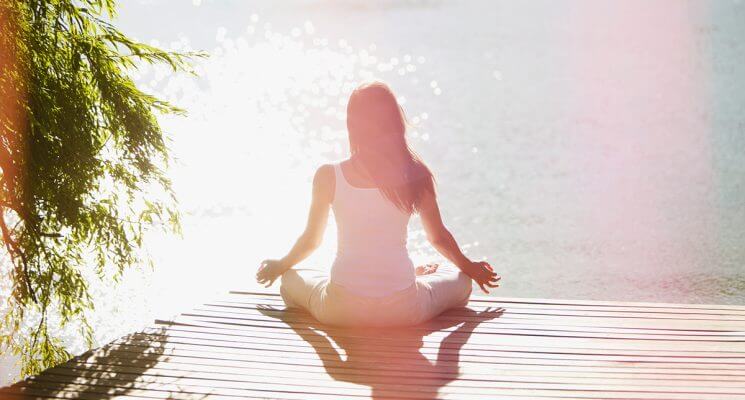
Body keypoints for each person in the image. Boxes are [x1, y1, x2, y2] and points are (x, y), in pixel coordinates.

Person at [256, 81, 500, 327]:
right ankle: (412, 275)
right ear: (396, 122)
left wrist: (280, 265)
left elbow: (312, 241)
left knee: (290, 277)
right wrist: (471, 267)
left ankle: (407, 276)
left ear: (352, 125)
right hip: (402, 310)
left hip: (342, 310)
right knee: (460, 278)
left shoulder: (329, 175)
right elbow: (437, 238)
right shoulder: (416, 174)